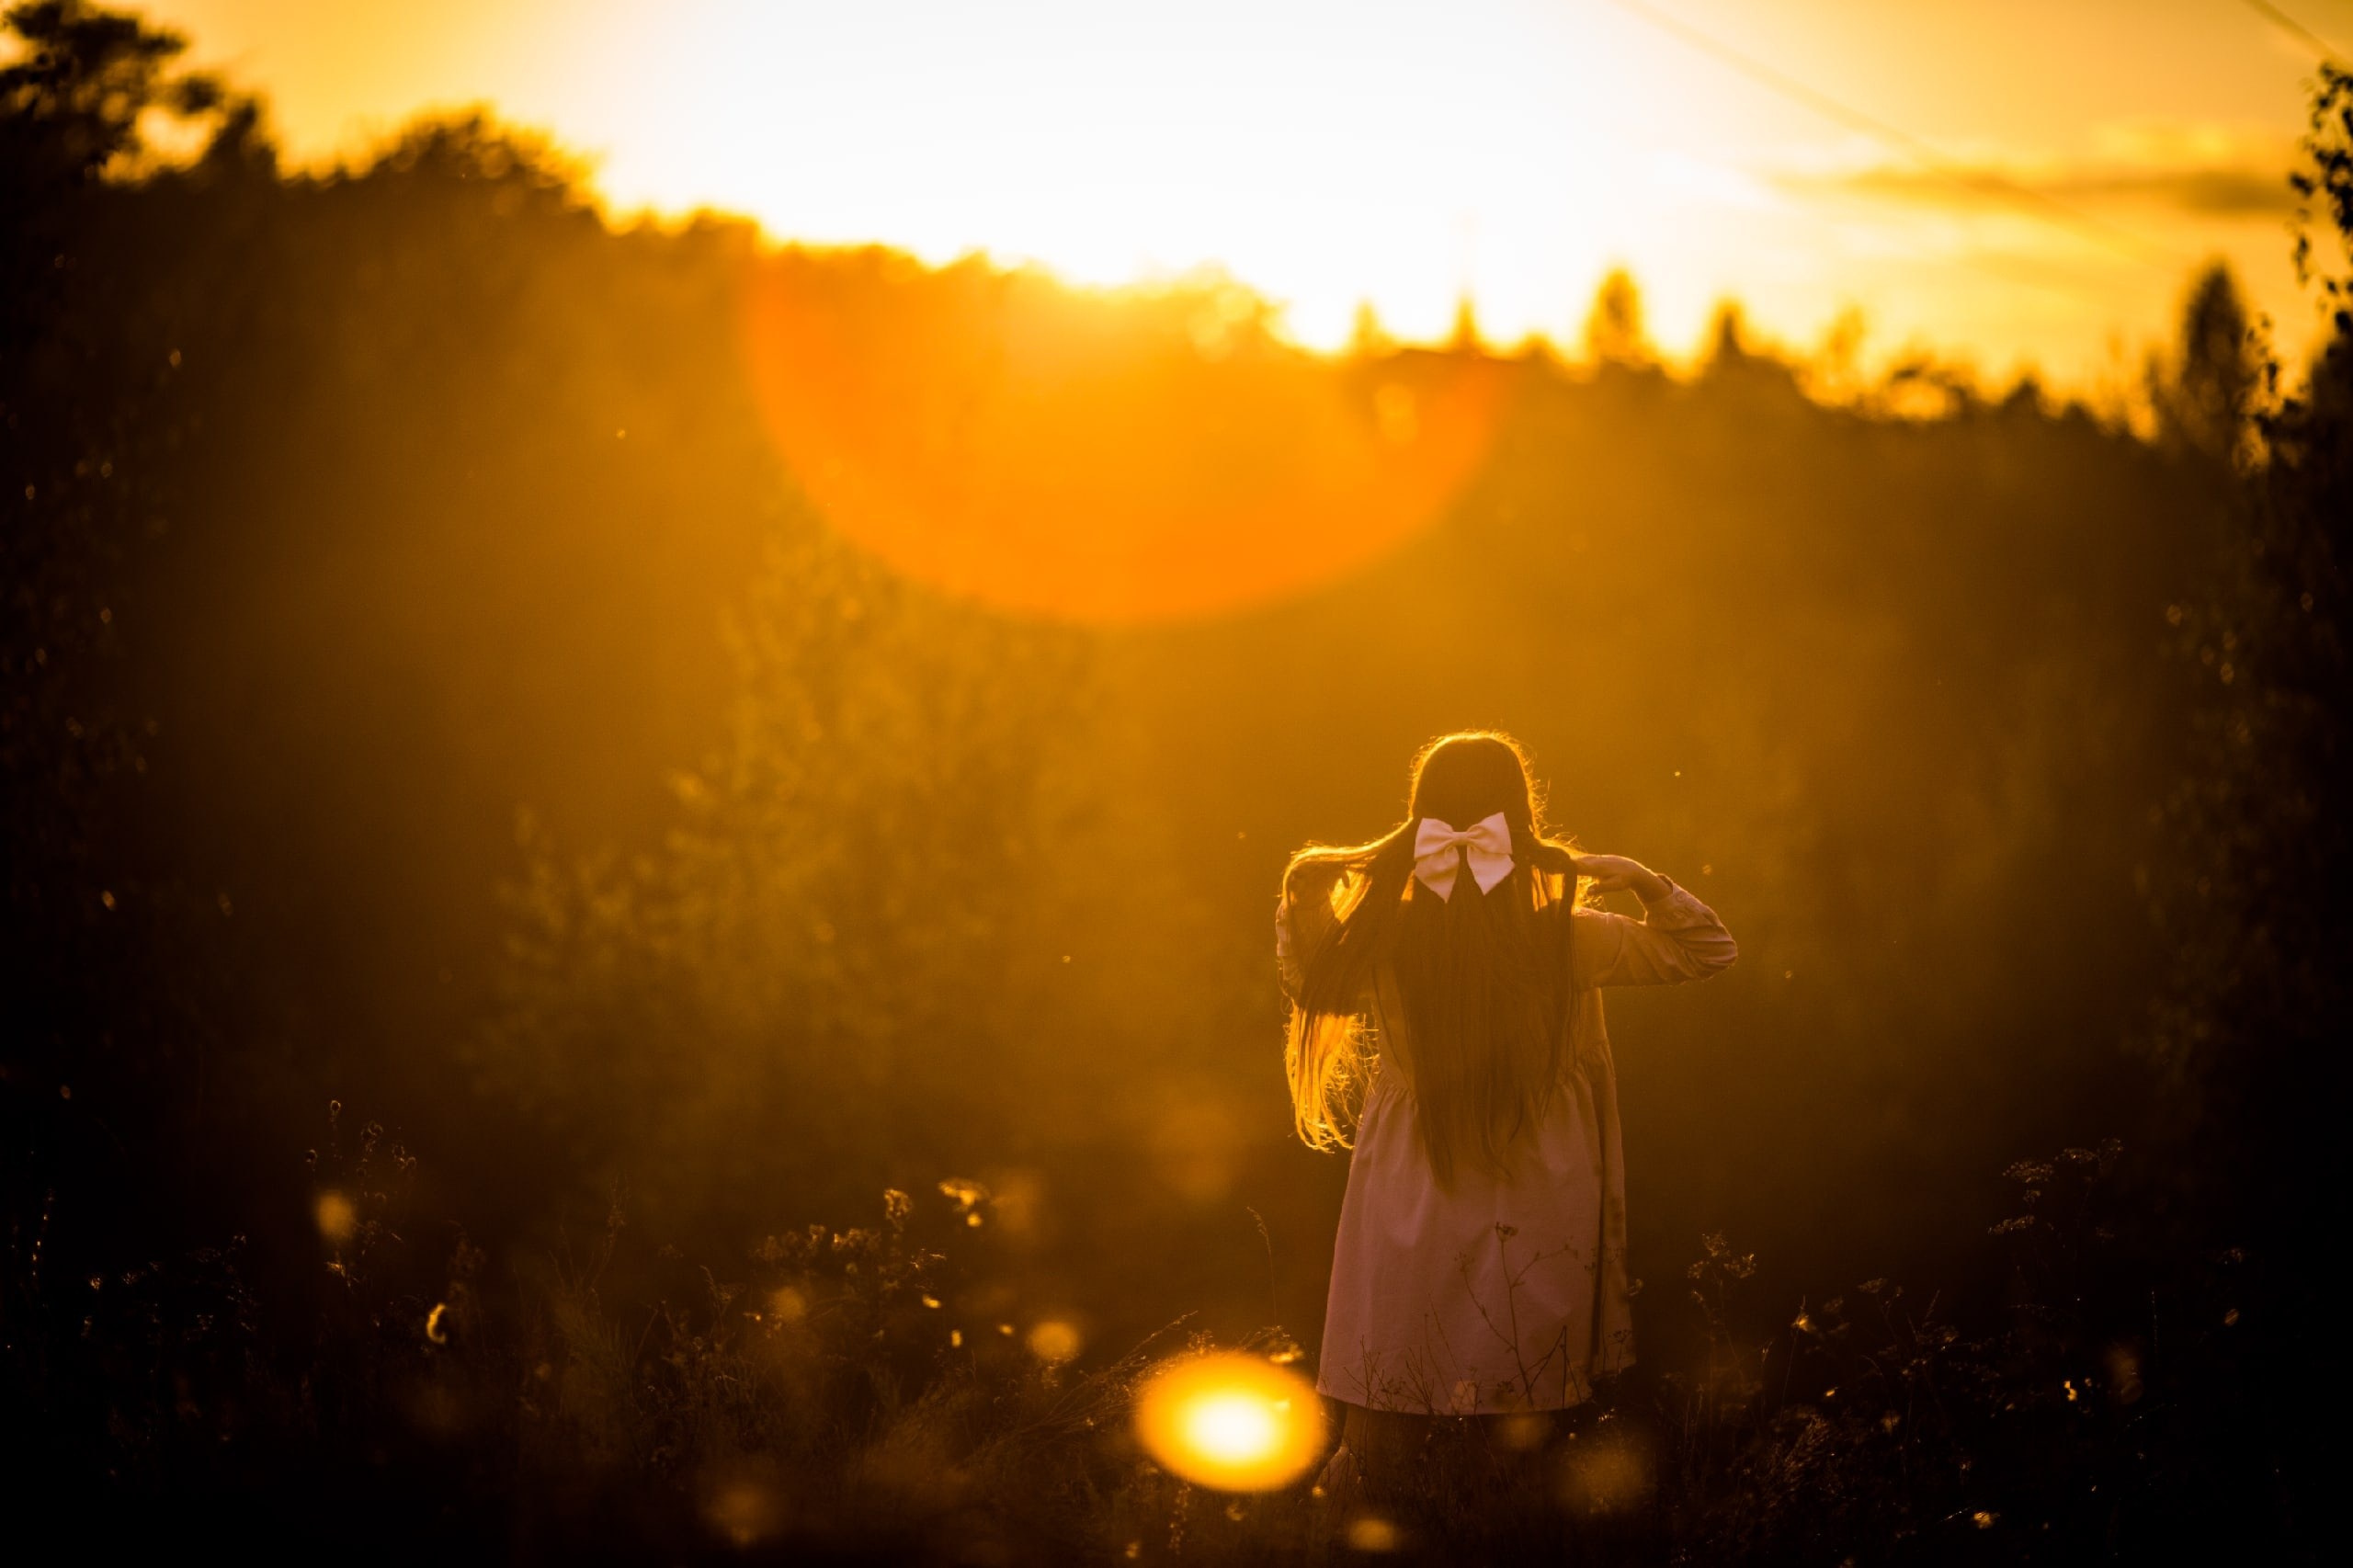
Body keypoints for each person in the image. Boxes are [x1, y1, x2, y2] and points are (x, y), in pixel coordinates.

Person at [1276, 731, 1736, 1494]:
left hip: (1406, 1197)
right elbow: (1707, 951)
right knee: (1518, 1432)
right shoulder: (1570, 940)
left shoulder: (1386, 939)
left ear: (1419, 820)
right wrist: (1644, 880)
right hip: (1537, 1196)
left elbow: (1308, 982)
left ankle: (1339, 1546)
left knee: (1384, 1417)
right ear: (1520, 821)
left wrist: (1309, 896)